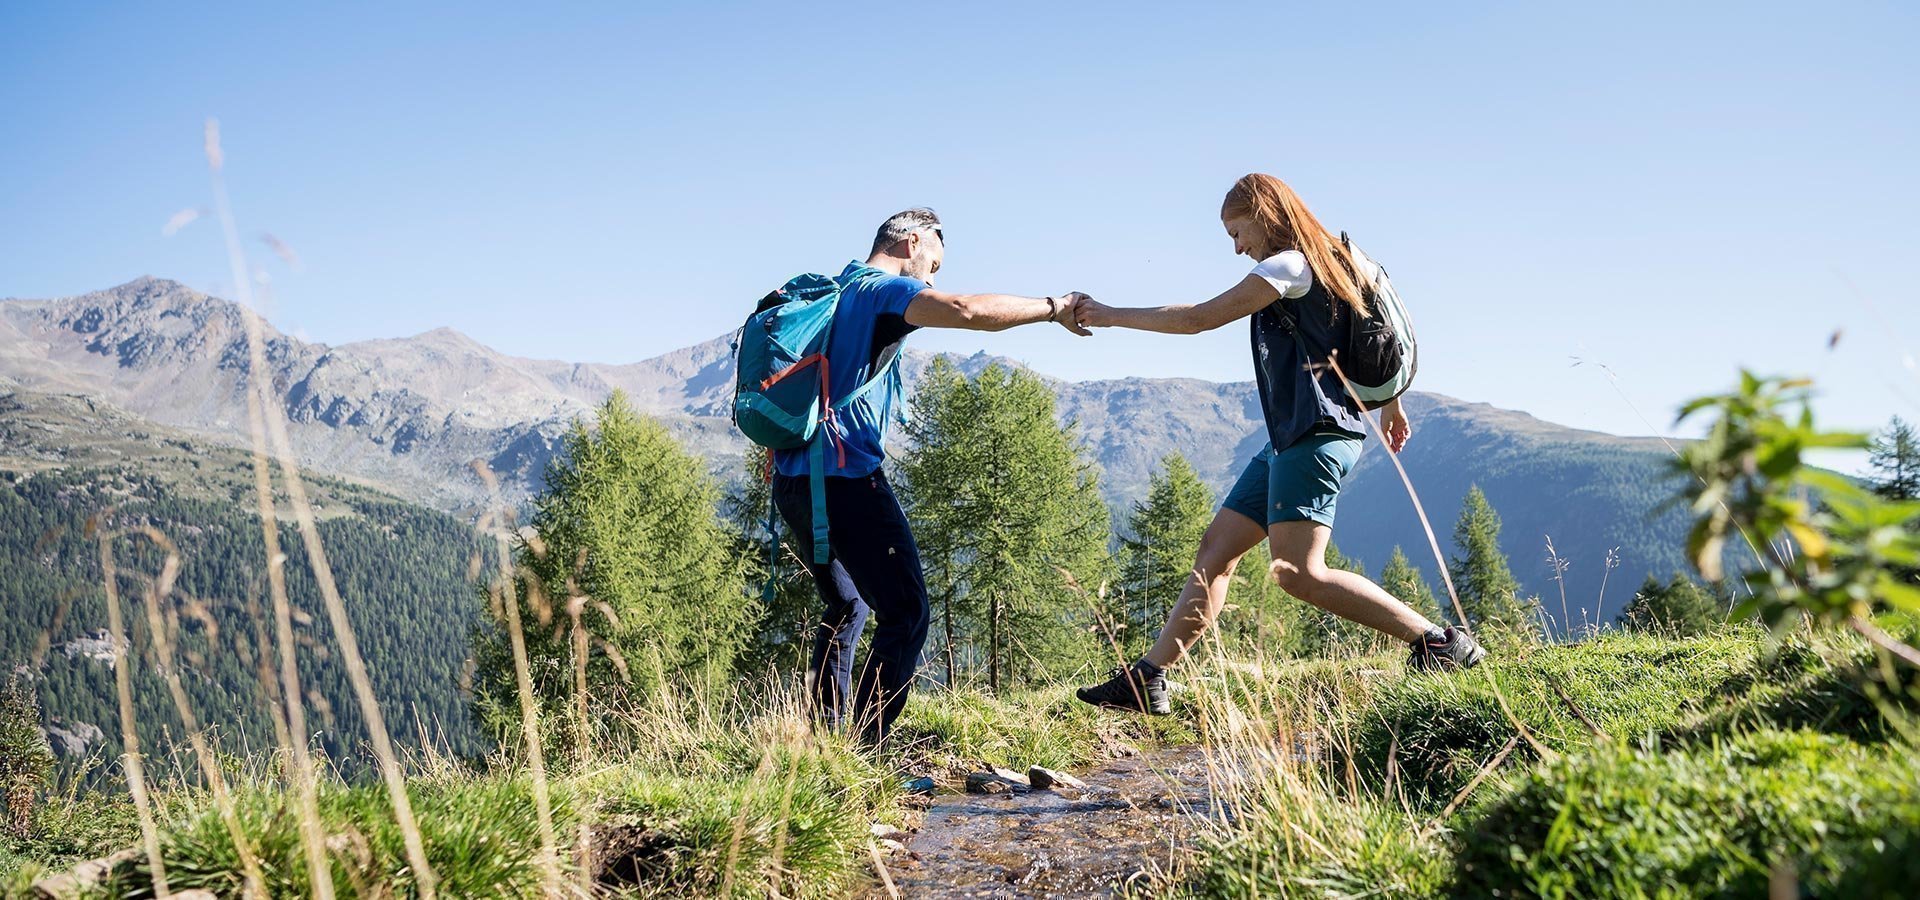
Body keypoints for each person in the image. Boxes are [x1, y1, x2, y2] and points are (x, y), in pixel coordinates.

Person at [1070, 174, 1485, 716]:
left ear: (1264, 214)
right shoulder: (1333, 259)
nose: (1237, 247)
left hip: (1315, 435)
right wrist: (1391, 401)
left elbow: (1198, 319)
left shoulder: (1289, 265)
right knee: (1215, 552)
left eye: (1236, 232)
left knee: (1298, 573)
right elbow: (1374, 338)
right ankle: (1148, 679)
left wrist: (1107, 314)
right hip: (1292, 436)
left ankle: (1437, 643)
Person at [772, 207, 1092, 741]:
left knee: (847, 604)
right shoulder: (879, 290)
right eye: (934, 264)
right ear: (911, 243)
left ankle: (827, 747)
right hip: (846, 480)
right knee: (907, 613)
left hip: (793, 481)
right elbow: (965, 310)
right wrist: (1053, 307)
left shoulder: (834, 292)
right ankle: (865, 755)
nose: (933, 278)